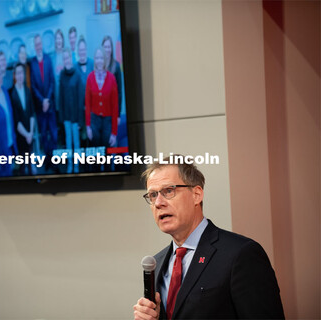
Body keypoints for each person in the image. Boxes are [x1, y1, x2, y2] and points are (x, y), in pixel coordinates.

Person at [133, 158, 285, 320]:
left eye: (168, 191)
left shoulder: (241, 254)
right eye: (152, 195)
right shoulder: (157, 262)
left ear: (196, 194)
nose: (158, 203)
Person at [30, 34, 57, 169]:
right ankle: (47, 160)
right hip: (40, 108)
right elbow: (33, 86)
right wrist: (42, 101)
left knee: (54, 134)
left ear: (42, 45)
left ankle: (55, 161)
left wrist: (47, 100)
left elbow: (52, 81)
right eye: (36, 44)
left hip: (50, 106)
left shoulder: (48, 59)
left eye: (40, 44)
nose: (38, 46)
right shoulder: (32, 63)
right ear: (34, 47)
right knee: (44, 135)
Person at [85, 47, 118, 149]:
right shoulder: (90, 78)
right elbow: (87, 103)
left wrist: (114, 132)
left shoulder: (111, 78)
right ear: (94, 60)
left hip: (107, 122)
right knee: (96, 157)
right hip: (94, 121)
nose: (99, 61)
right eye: (97, 58)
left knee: (107, 156)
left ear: (105, 60)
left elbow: (115, 106)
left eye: (101, 58)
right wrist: (88, 126)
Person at [59, 48, 84, 173]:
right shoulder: (62, 75)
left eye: (68, 57)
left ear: (71, 58)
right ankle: (70, 165)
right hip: (66, 118)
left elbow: (81, 99)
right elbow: (61, 98)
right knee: (68, 143)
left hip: (76, 117)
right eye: (64, 58)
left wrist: (80, 120)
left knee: (76, 143)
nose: (66, 60)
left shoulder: (77, 75)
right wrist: (62, 118)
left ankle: (77, 165)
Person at [10, 63, 36, 175]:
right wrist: (27, 135)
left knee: (30, 165)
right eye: (18, 73)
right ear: (15, 75)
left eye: (22, 73)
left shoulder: (27, 90)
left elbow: (31, 114)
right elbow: (16, 122)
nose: (21, 76)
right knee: (22, 167)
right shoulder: (12, 94)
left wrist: (30, 133)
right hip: (20, 137)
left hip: (29, 135)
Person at [75, 36, 94, 147]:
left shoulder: (92, 64)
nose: (82, 52)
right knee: (83, 141)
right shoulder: (75, 67)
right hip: (81, 113)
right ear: (78, 51)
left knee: (93, 140)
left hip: (93, 112)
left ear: (86, 50)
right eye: (80, 50)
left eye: (83, 50)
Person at [101, 36, 122, 121]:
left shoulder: (116, 66)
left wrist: (118, 115)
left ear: (112, 48)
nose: (107, 49)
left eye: (109, 47)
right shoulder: (99, 66)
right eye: (105, 47)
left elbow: (119, 93)